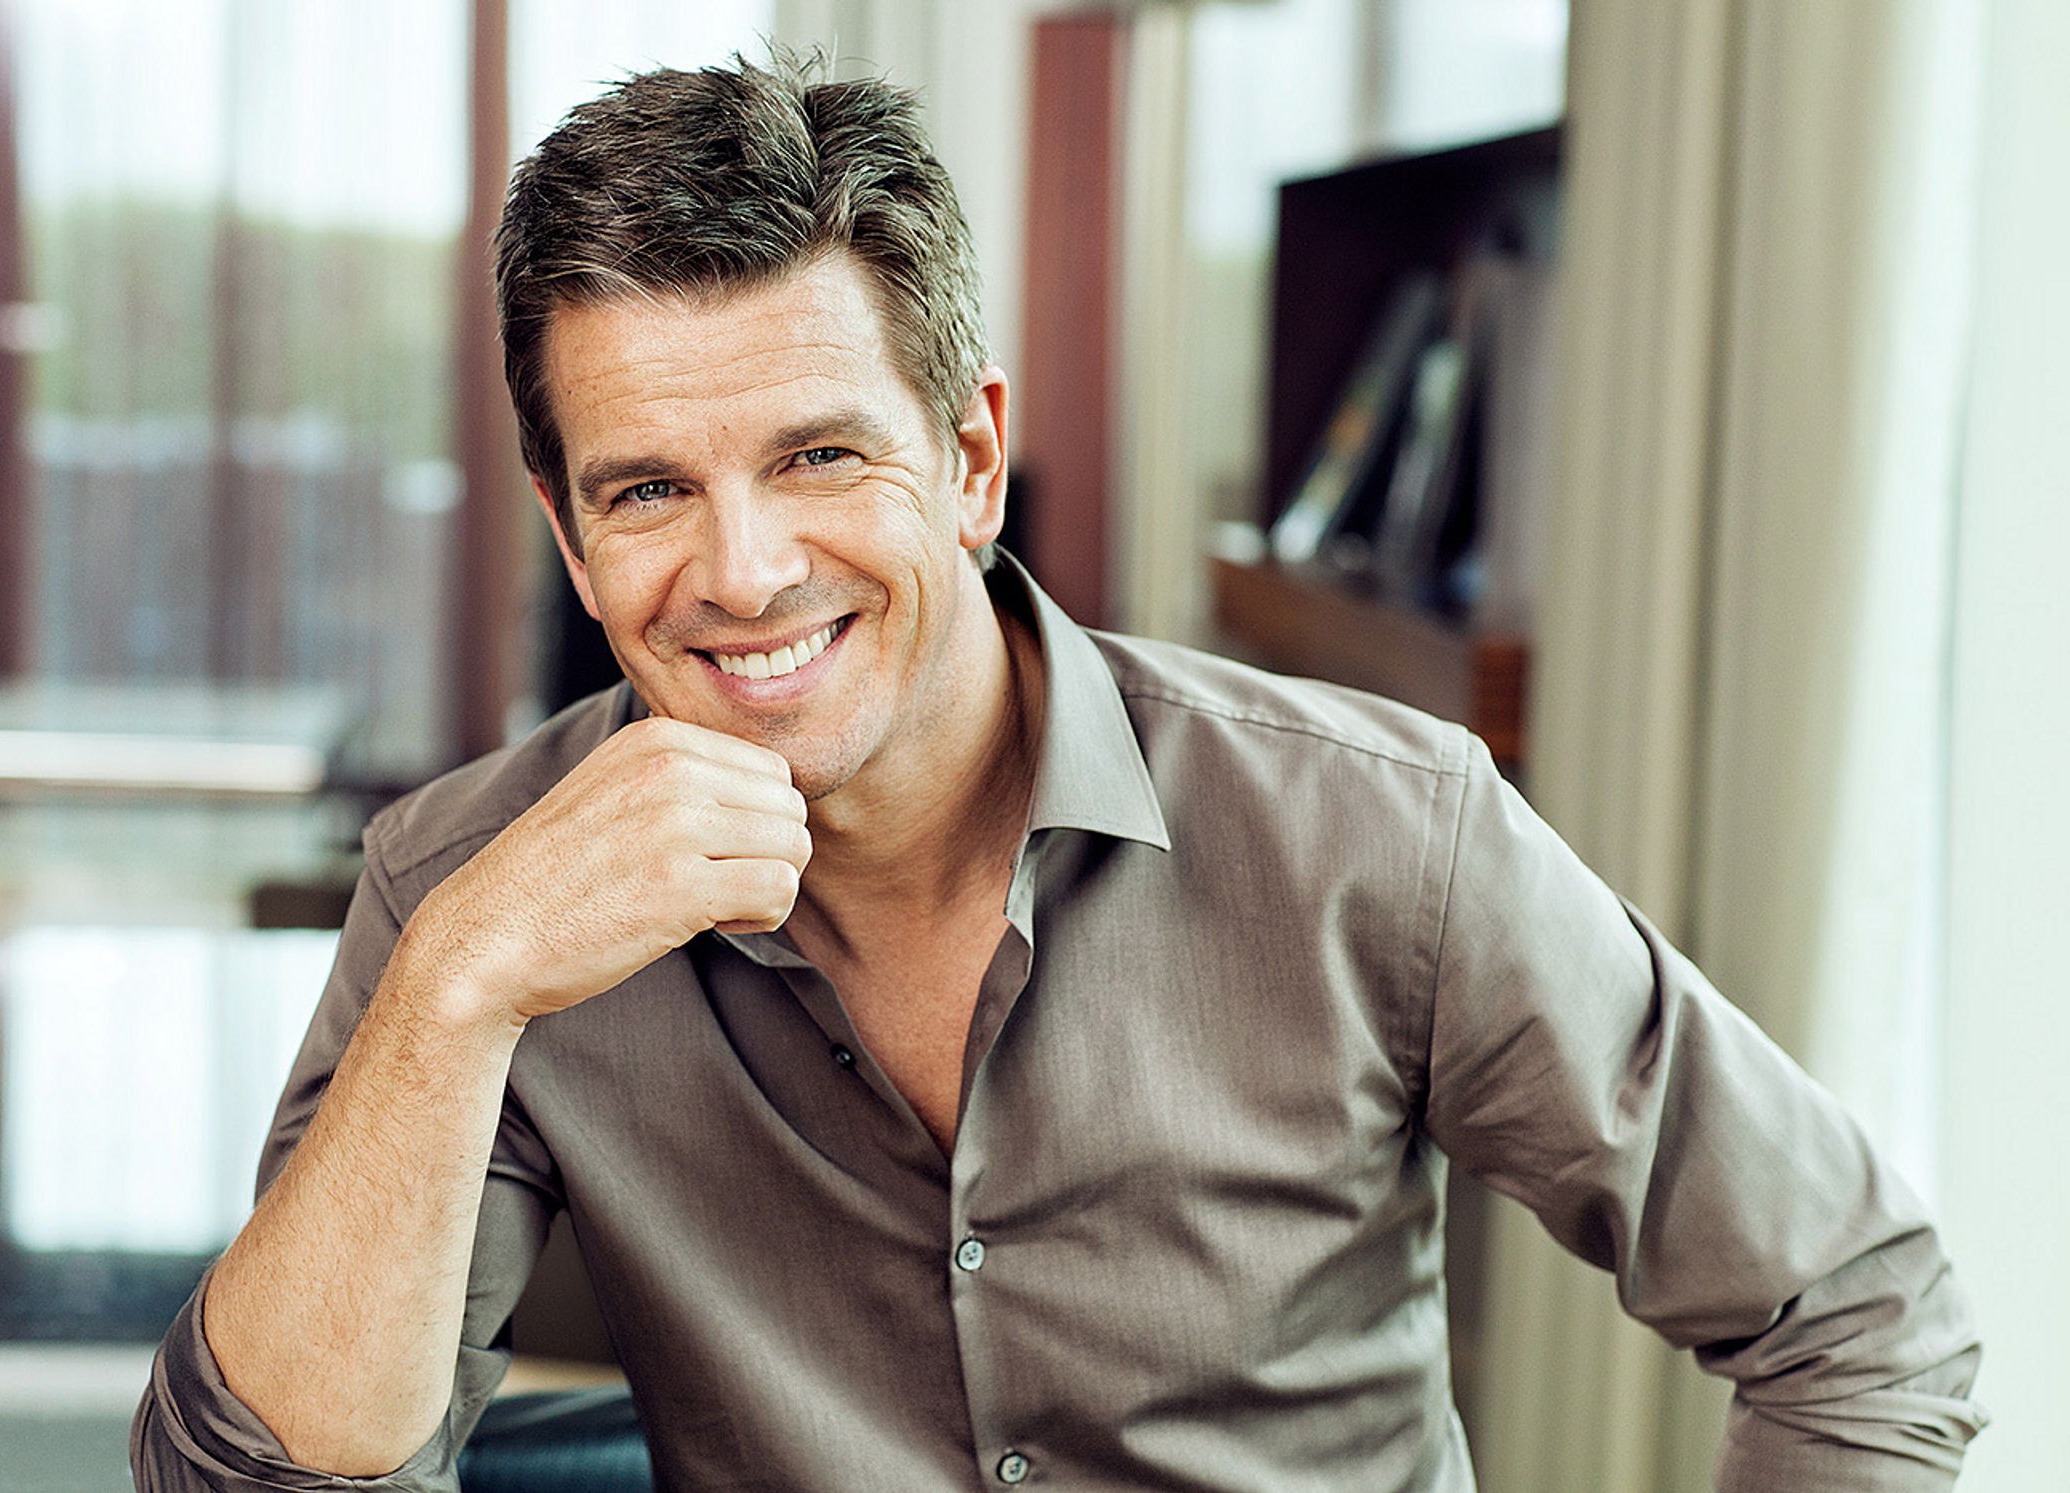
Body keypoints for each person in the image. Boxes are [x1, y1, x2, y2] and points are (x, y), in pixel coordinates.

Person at [131, 55, 1988, 1492]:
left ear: (970, 461)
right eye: (649, 490)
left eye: (820, 456)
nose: (744, 570)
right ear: (567, 529)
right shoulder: (469, 891)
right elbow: (252, 1479)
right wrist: (459, 988)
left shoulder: (1375, 829)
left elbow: (1854, 1308)